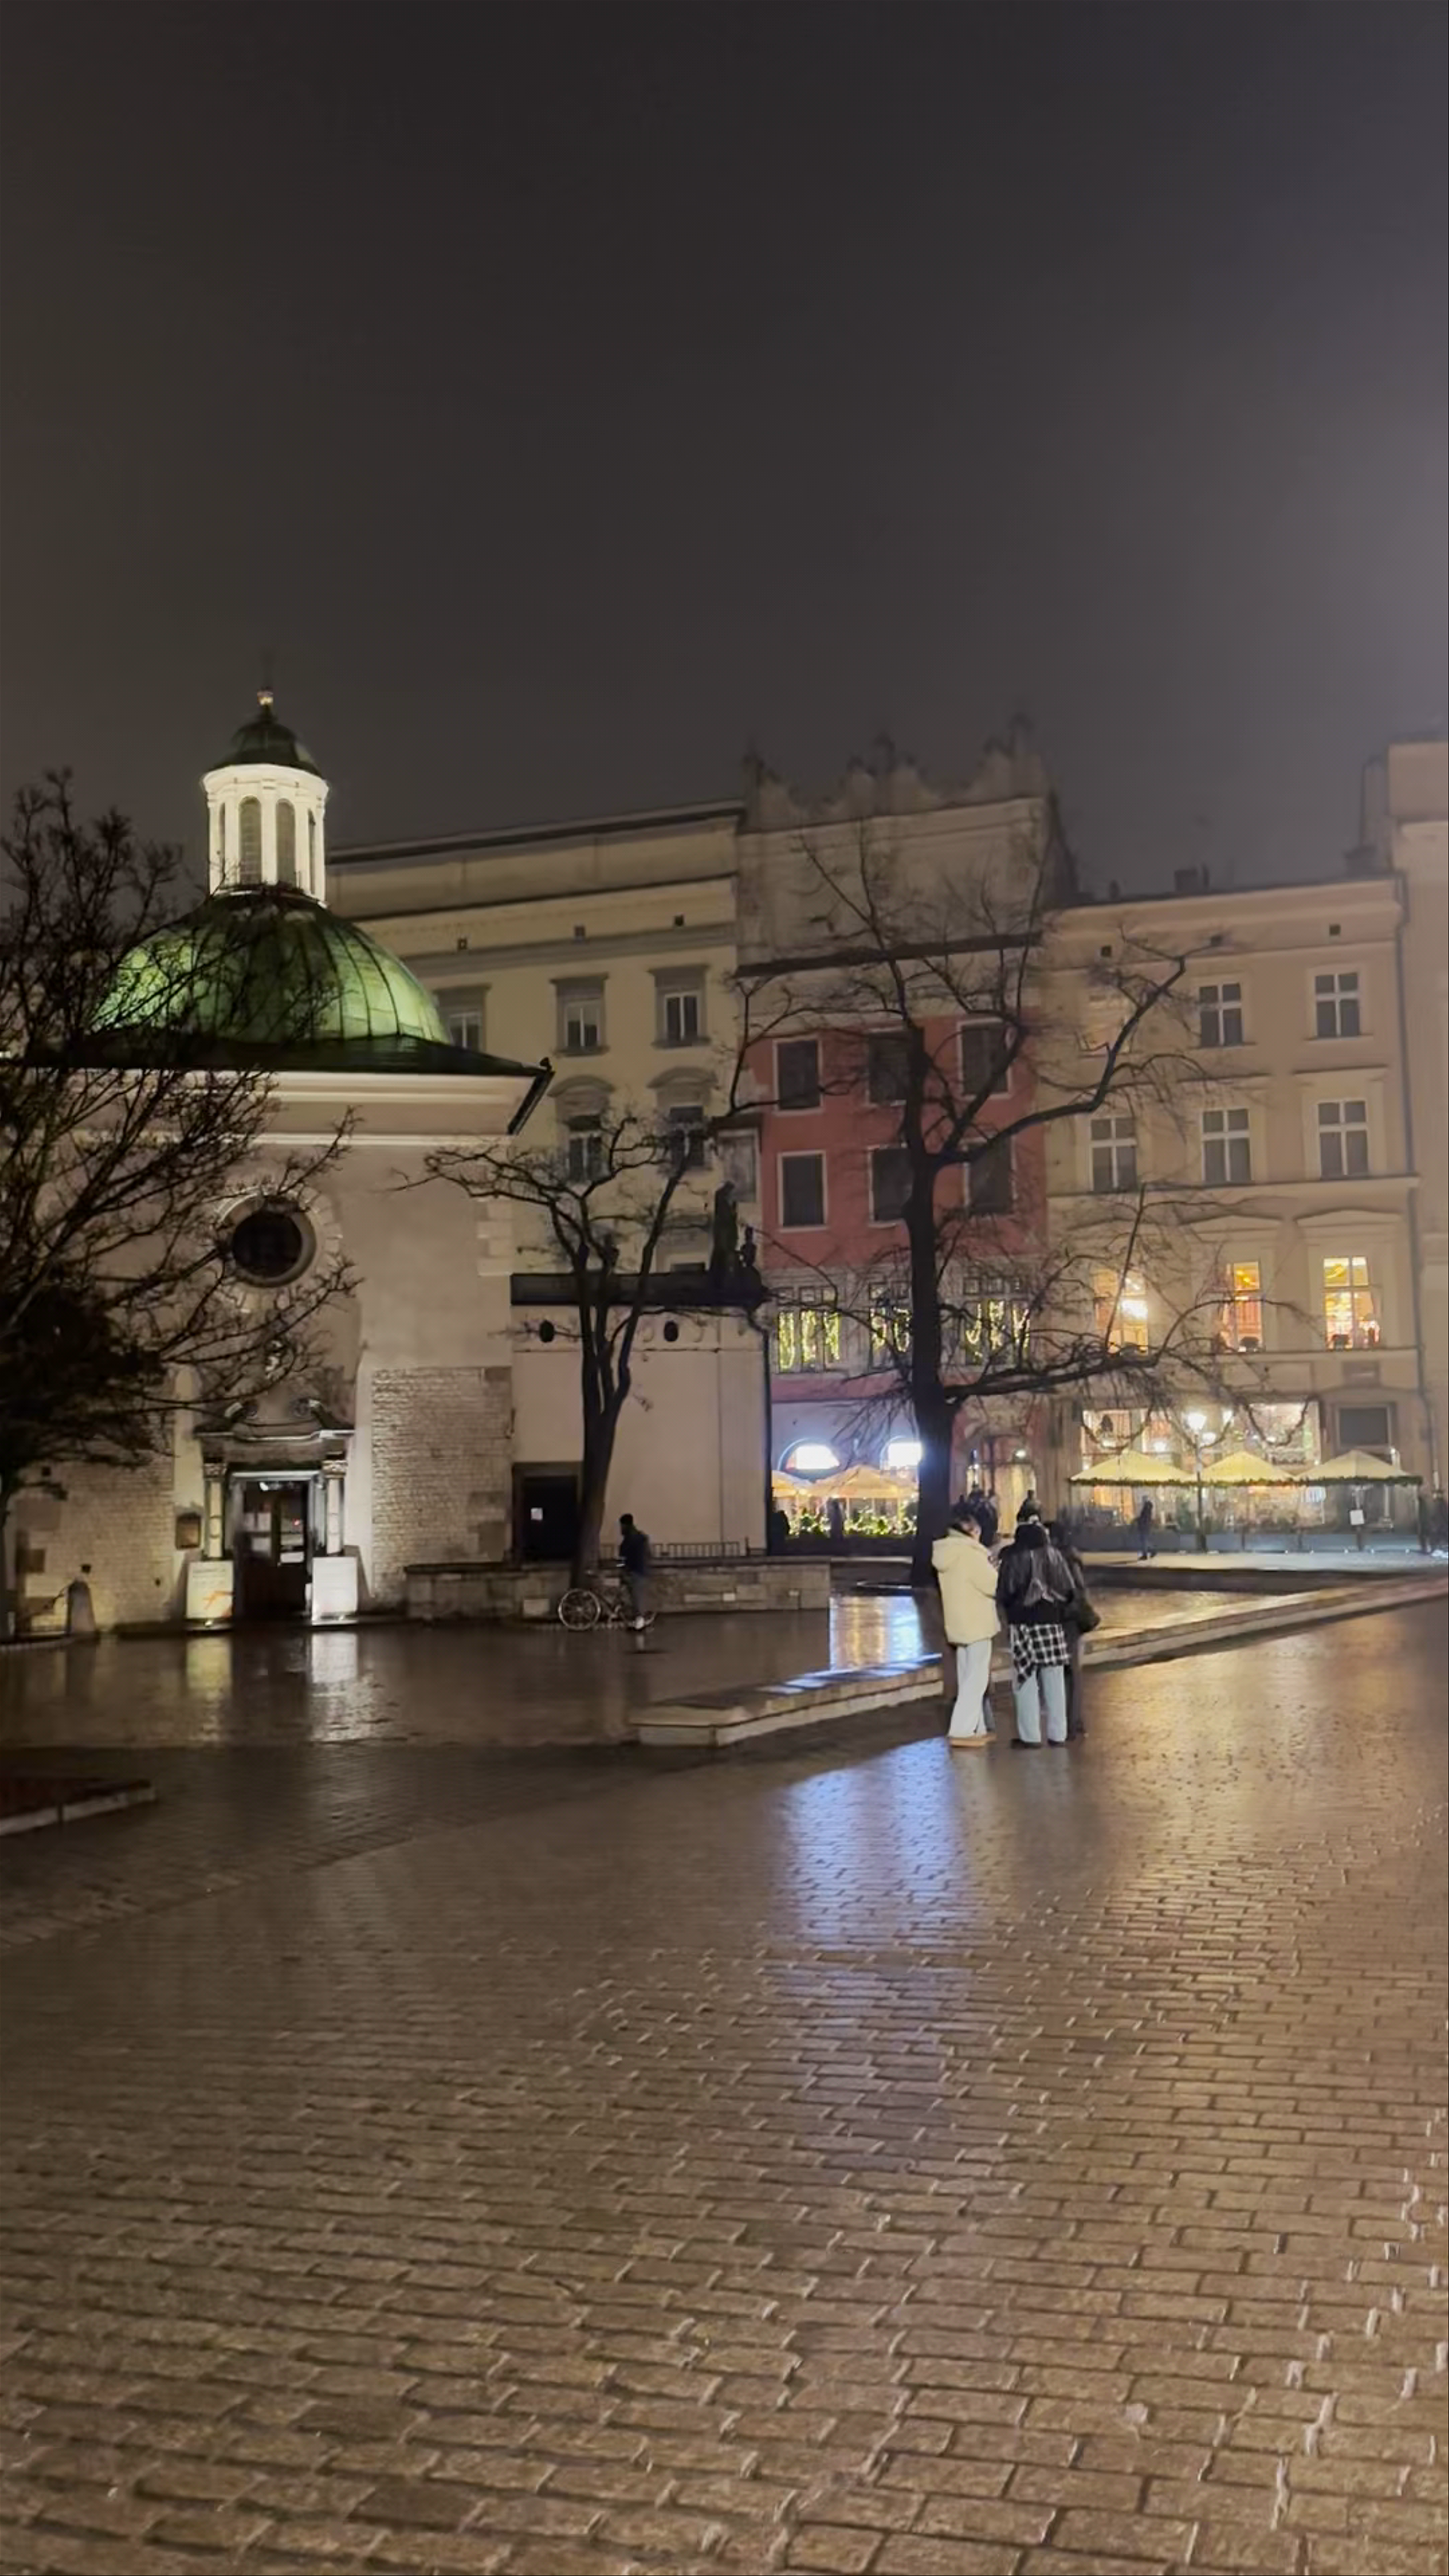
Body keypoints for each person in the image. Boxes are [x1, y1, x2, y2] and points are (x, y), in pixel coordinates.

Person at [995, 1520, 1075, 1747]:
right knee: (1055, 1678)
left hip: (1023, 1623)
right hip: (1051, 1621)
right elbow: (1069, 1590)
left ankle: (1030, 1736)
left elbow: (1005, 1592)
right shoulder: (1055, 1556)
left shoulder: (1013, 1558)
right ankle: (1058, 1734)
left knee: (1025, 1678)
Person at [931, 1506, 1000, 1749]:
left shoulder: (947, 1552)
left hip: (959, 1622)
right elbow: (993, 1585)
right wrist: (995, 1568)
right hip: (977, 1621)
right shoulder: (971, 1554)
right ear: (971, 1530)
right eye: (977, 1530)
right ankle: (961, 1729)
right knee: (977, 1679)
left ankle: (977, 1728)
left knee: (967, 1675)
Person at [1048, 1518, 1095, 1741]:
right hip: (1061, 1620)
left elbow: (1078, 1591)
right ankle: (1069, 1722)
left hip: (1069, 1621)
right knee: (1065, 1672)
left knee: (1071, 1672)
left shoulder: (1066, 1559)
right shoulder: (1058, 1557)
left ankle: (1074, 1723)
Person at [618, 1513, 652, 1630]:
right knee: (638, 1597)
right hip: (643, 1571)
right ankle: (639, 1621)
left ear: (624, 1525)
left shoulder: (628, 1540)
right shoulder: (642, 1538)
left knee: (636, 1598)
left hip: (634, 1572)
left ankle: (639, 1624)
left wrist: (622, 1569)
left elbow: (622, 1559)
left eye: (621, 1526)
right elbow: (649, 1555)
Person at [1134, 1496, 1155, 1560]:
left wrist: (1139, 1520)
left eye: (1143, 1500)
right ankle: (1151, 1551)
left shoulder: (1146, 1508)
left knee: (1144, 1541)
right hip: (1146, 1527)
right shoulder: (1148, 1508)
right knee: (1145, 1541)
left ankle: (1146, 1554)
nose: (1142, 1501)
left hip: (1144, 1527)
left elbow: (1144, 1519)